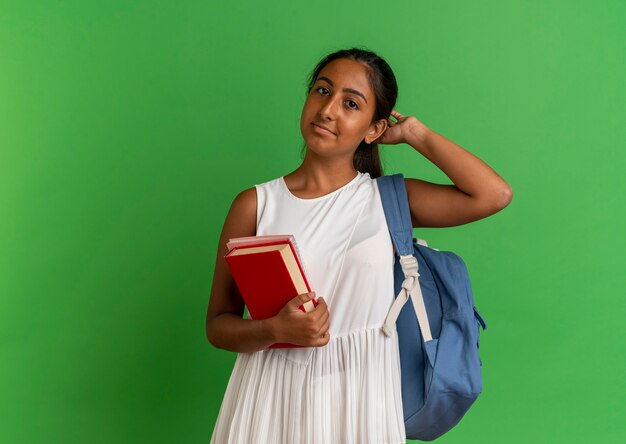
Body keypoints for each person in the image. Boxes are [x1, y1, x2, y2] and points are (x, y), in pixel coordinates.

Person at [206, 47, 513, 444]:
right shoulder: (255, 205)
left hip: (361, 400)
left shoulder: (387, 201)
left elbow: (493, 194)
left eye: (351, 103)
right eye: (321, 91)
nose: (328, 109)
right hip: (269, 397)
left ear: (374, 129)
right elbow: (217, 325)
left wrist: (416, 134)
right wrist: (272, 329)